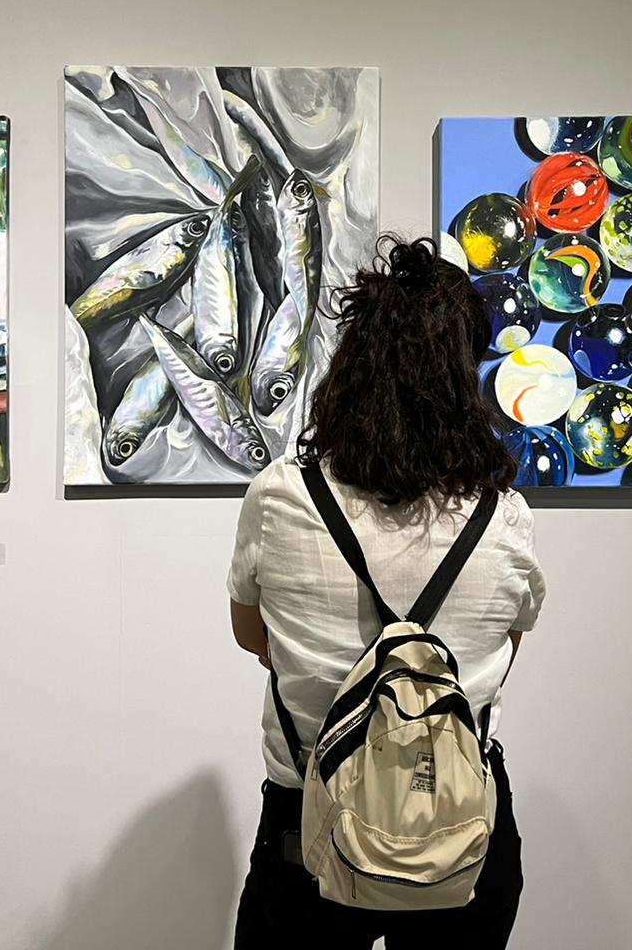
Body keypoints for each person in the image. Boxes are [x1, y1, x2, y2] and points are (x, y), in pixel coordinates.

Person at [227, 235, 547, 949]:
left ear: (351, 367)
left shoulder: (283, 496)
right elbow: (507, 646)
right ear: (463, 378)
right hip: (459, 826)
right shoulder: (504, 516)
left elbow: (252, 637)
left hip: (308, 827)